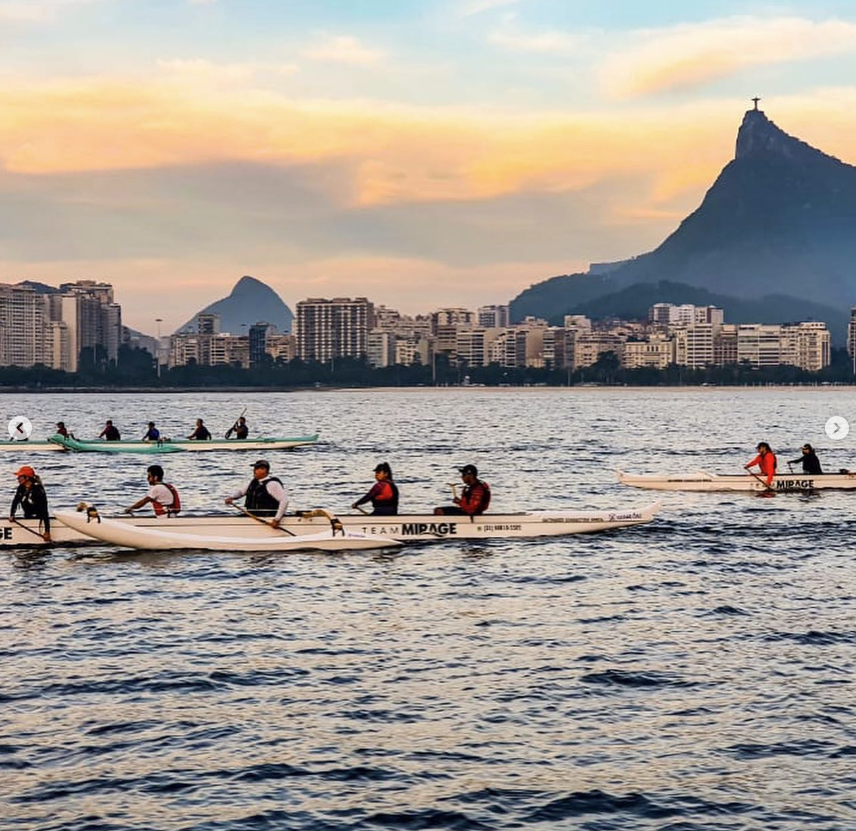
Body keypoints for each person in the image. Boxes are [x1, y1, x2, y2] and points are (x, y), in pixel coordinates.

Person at [225, 459, 288, 528]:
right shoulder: (254, 482)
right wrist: (232, 497)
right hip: (252, 515)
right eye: (255, 468)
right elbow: (241, 492)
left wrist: (277, 519)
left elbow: (284, 501)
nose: (254, 471)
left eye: (257, 469)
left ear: (264, 470)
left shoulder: (272, 484)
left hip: (266, 517)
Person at [10, 465, 51, 542]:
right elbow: (15, 502)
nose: (18, 479)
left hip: (39, 517)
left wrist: (47, 531)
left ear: (27, 478)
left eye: (20, 477)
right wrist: (12, 515)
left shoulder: (38, 490)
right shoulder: (21, 488)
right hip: (28, 516)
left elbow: (44, 510)